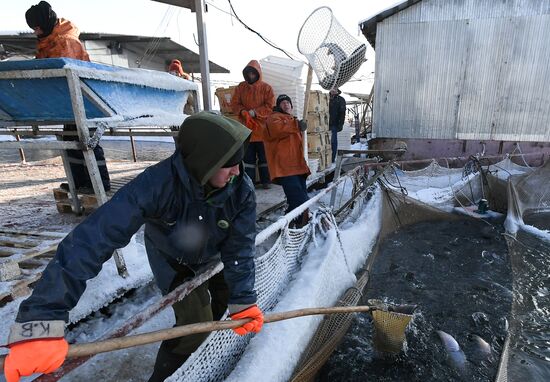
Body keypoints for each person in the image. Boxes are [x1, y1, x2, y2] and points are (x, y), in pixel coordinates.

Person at [3, 112, 264, 382]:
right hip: (172, 257)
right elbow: (91, 240)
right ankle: (170, 376)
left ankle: (212, 357)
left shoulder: (240, 188)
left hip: (214, 254)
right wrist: (39, 325)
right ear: (204, 160)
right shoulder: (156, 185)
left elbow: (241, 246)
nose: (237, 170)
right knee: (195, 325)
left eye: (238, 161)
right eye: (229, 163)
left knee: (225, 306)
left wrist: (243, 299)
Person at [25, 1, 111, 193]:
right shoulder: (49, 40)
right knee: (71, 141)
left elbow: (64, 73)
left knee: (87, 142)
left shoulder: (65, 42)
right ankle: (80, 183)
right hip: (69, 103)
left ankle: (100, 184)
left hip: (84, 100)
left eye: (36, 28)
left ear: (44, 24)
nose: (35, 32)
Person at [264, 95, 310, 227]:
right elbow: (277, 130)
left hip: (297, 167)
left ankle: (287, 225)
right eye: (282, 102)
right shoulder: (273, 118)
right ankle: (302, 225)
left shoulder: (293, 120)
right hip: (285, 168)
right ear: (278, 106)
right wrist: (297, 125)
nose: (286, 104)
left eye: (288, 102)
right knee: (301, 200)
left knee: (296, 199)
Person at [232, 60, 275, 189]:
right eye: (248, 73)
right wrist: (243, 111)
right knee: (248, 160)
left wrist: (255, 113)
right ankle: (249, 183)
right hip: (246, 130)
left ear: (258, 73)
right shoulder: (240, 87)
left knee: (264, 159)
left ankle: (266, 181)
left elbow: (270, 106)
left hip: (263, 130)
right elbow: (235, 103)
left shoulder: (266, 88)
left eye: (253, 73)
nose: (251, 76)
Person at [328, 88, 347, 162]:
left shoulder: (340, 99)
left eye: (334, 89)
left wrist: (340, 124)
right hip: (325, 124)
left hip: (334, 124)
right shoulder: (326, 98)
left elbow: (342, 113)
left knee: (333, 141)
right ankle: (326, 158)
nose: (332, 91)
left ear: (337, 91)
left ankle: (332, 158)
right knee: (325, 141)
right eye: (331, 89)